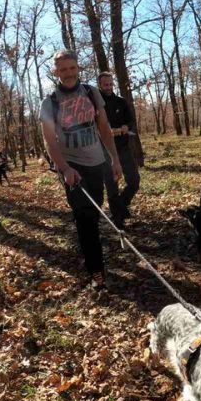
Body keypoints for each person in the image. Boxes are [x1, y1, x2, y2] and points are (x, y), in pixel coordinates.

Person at [40, 50, 122, 290]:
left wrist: (115, 159)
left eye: (72, 68)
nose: (68, 73)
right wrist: (64, 168)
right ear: (56, 71)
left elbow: (104, 127)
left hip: (96, 162)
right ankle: (96, 269)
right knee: (84, 218)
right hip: (71, 167)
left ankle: (90, 250)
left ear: (78, 68)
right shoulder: (50, 101)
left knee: (94, 214)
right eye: (63, 69)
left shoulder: (92, 92)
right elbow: (49, 140)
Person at [98, 71, 140, 228]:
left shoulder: (121, 102)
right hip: (105, 151)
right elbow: (94, 126)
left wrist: (125, 127)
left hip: (123, 148)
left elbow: (131, 121)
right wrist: (107, 132)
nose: (108, 87)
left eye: (110, 84)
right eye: (105, 84)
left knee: (134, 182)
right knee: (112, 185)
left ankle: (121, 205)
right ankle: (118, 220)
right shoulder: (97, 104)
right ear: (100, 85)